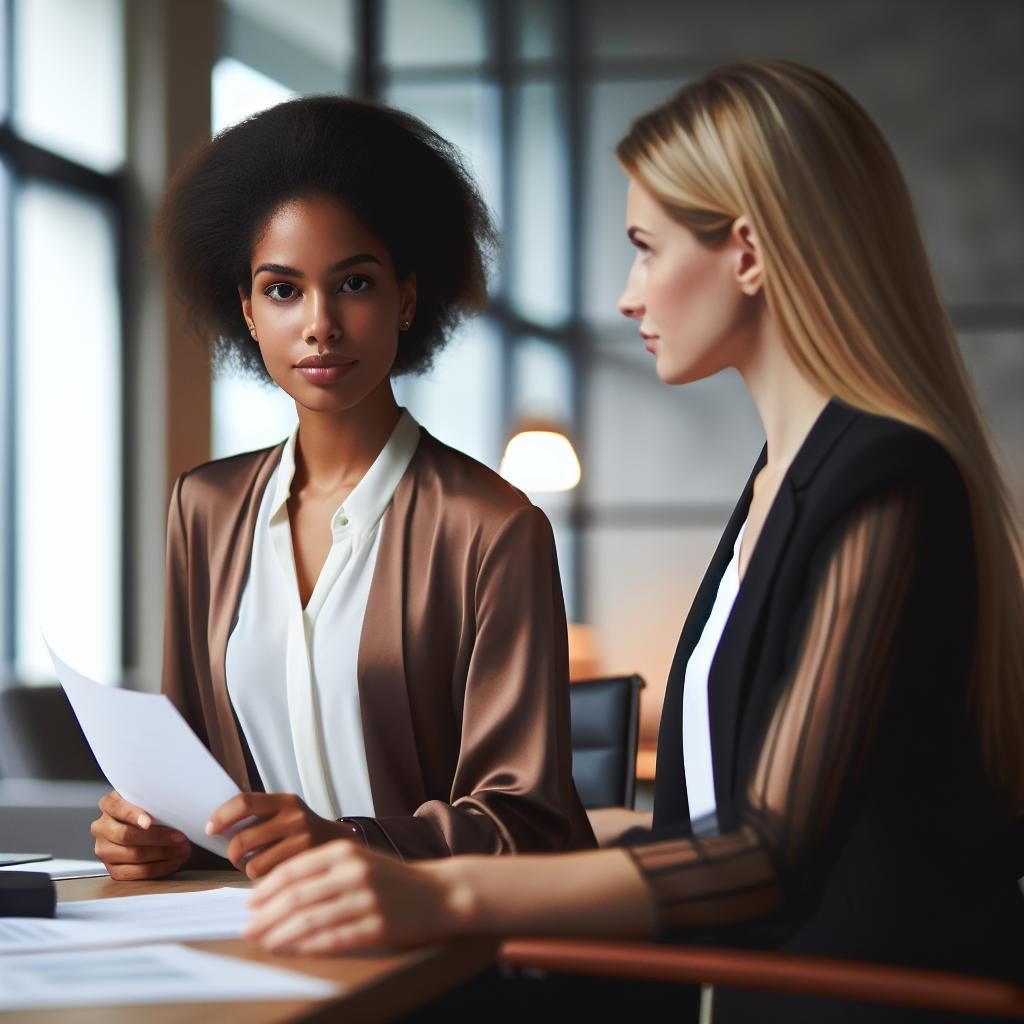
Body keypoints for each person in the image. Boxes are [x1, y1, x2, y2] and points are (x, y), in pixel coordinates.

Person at [243, 61, 1024, 1022]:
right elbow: (704, 818)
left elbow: (766, 854)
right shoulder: (782, 479)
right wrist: (397, 850)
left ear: (747, 251)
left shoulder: (886, 480)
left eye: (646, 249)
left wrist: (438, 893)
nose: (627, 294)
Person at [90, 96, 594, 882]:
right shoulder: (206, 508)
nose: (319, 324)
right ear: (248, 313)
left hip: (439, 954)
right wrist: (152, 830)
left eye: (353, 284)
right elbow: (195, 783)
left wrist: (346, 842)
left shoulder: (491, 527)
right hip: (253, 935)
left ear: (406, 298)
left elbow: (531, 827)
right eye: (283, 290)